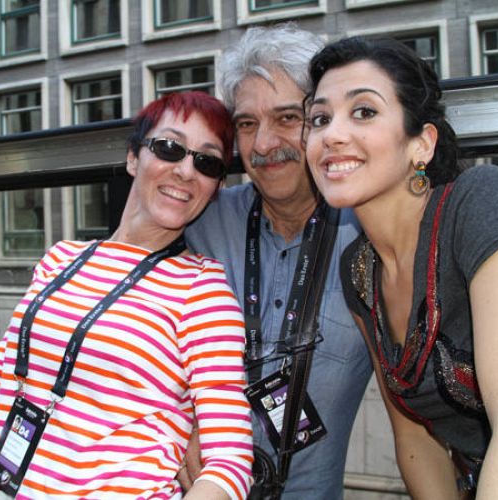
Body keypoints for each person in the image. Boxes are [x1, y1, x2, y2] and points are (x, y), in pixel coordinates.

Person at [0, 92, 254, 500]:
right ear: (133, 157)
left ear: (216, 186)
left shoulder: (203, 289)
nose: (186, 170)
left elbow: (230, 463)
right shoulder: (61, 259)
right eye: (169, 148)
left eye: (206, 162)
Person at [304, 36, 498, 498]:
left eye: (363, 111)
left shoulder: (480, 202)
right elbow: (414, 438)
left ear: (421, 144)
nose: (331, 135)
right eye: (319, 119)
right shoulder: (360, 271)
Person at [184, 25, 372, 499]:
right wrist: (180, 419)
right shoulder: (198, 222)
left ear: (322, 121)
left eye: (287, 117)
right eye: (246, 124)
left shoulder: (370, 234)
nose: (264, 144)